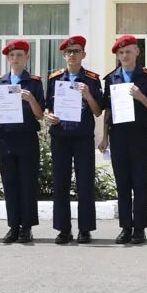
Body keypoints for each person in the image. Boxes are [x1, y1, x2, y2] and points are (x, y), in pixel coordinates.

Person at [100, 35, 147, 245]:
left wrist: (141, 97)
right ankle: (126, 227)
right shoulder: (111, 78)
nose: (124, 55)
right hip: (118, 136)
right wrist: (104, 137)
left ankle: (140, 228)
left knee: (140, 182)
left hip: (140, 135)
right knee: (122, 183)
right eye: (121, 52)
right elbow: (107, 110)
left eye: (128, 51)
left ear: (137, 52)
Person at [44, 35, 103, 244]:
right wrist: (49, 116)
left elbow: (97, 112)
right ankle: (63, 229)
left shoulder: (92, 79)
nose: (72, 55)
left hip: (82, 137)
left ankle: (85, 229)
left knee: (85, 183)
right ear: (64, 55)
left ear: (83, 54)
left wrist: (88, 96)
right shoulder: (54, 79)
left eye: (76, 51)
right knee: (60, 183)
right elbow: (48, 109)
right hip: (60, 137)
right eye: (69, 52)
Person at [0, 40, 45, 244]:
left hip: (27, 138)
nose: (16, 59)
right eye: (12, 56)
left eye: (20, 55)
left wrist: (31, 100)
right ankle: (13, 226)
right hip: (5, 138)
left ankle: (27, 228)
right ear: (7, 58)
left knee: (27, 183)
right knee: (10, 183)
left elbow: (40, 115)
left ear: (27, 57)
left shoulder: (34, 83)